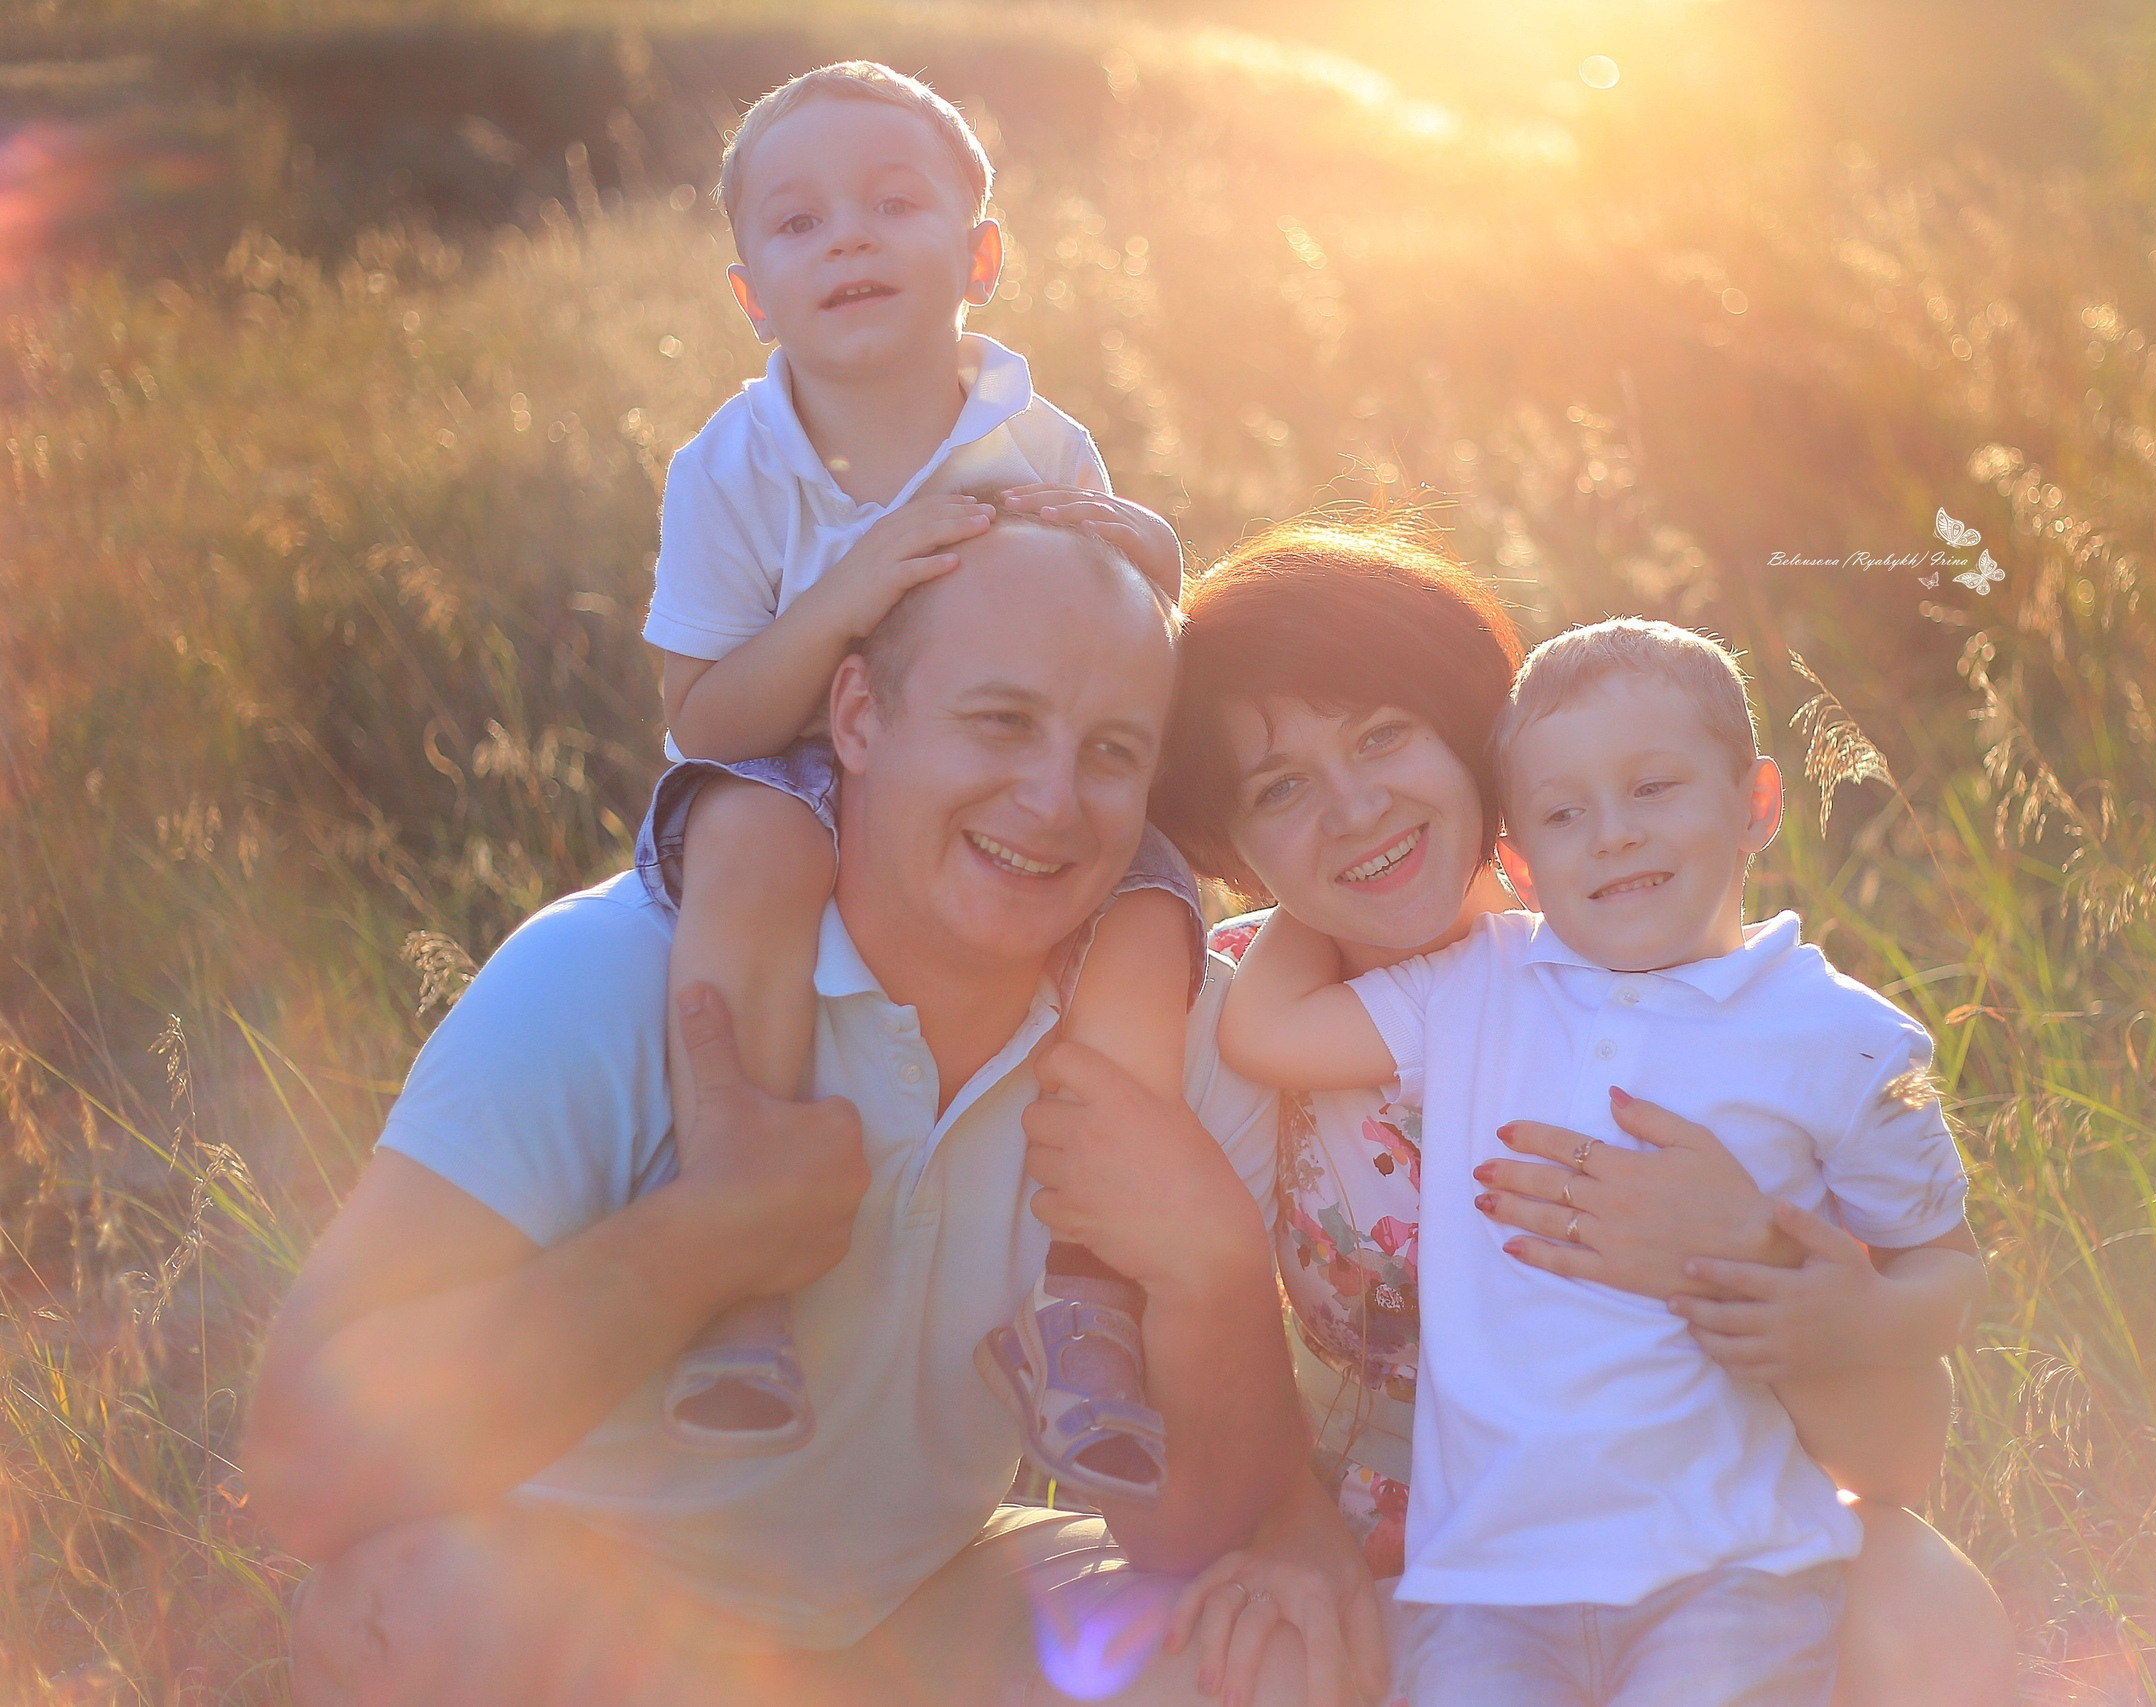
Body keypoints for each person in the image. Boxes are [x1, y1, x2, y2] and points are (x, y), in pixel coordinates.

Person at [244, 513, 1321, 1707]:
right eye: (1000, 722)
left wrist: (1215, 1267)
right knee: (405, 1615)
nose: (1054, 800)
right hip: (602, 1620)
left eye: (1112, 751)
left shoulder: (1175, 1034)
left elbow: (1191, 1532)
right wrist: (702, 1239)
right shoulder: (610, 979)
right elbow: (301, 1463)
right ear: (856, 716)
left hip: (917, 1605)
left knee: (1259, 1646)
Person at [1148, 522, 2015, 1707]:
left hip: (1686, 1542)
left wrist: (1740, 1250)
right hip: (1400, 1548)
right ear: (1230, 840)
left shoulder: (1677, 985)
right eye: (1279, 788)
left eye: (1385, 735)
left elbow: (1898, 1455)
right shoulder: (1239, 1010)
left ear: (1477, 746)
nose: (1352, 810)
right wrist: (1289, 1525)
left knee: (1926, 1612)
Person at [638, 59, 1195, 1492]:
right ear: (752, 290)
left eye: (895, 205)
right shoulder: (730, 467)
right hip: (796, 778)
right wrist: (862, 585)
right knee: (752, 846)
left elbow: (1117, 623)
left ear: (980, 257)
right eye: (801, 222)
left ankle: (1085, 1286)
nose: (852, 241)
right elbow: (703, 716)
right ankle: (738, 1247)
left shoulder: (1039, 439)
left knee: (1152, 915)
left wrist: (1129, 552)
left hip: (995, 785)